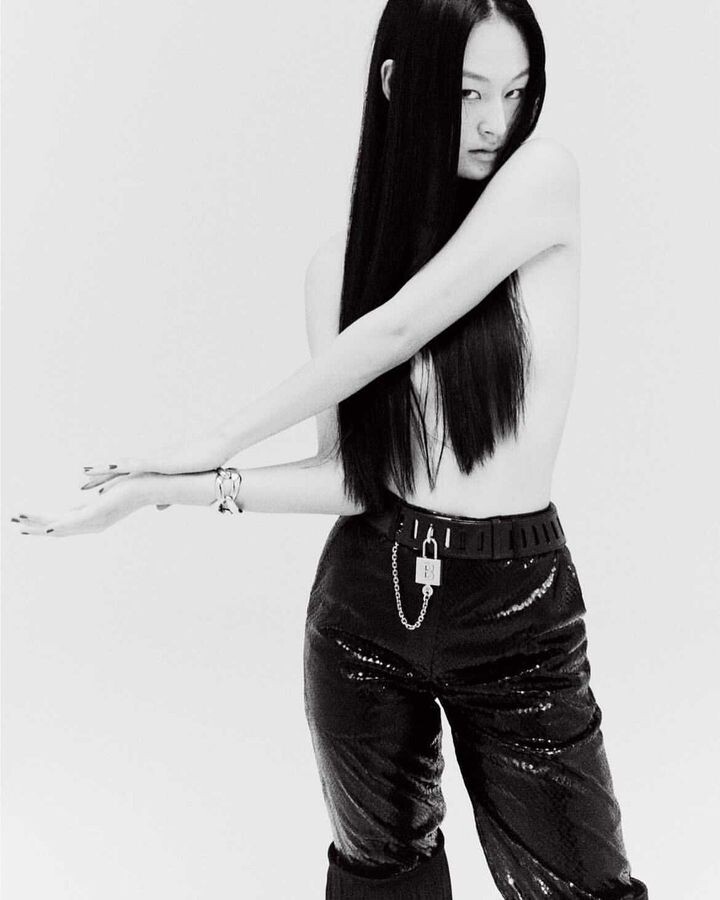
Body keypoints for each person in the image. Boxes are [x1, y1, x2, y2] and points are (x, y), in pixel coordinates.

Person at [10, 1, 650, 897]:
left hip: (518, 608)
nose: (495, 123)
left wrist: (215, 438)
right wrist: (163, 489)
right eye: (468, 92)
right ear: (398, 83)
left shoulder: (546, 180)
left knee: (587, 884)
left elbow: (396, 331)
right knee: (380, 877)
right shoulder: (338, 268)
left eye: (515, 91)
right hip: (365, 609)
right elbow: (355, 478)